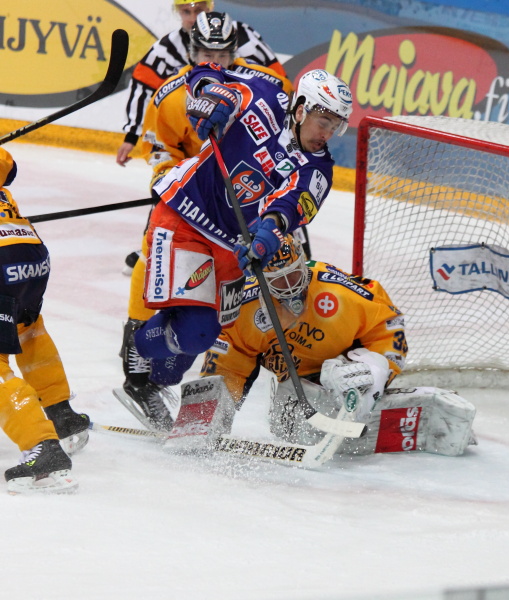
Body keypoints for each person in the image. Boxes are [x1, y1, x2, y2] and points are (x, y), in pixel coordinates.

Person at [114, 64, 352, 431]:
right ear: (301, 107)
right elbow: (206, 72)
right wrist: (208, 98)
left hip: (231, 242)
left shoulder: (318, 169)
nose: (327, 133)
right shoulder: (265, 97)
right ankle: (137, 353)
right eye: (324, 121)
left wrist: (267, 234)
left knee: (186, 354)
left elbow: (290, 205)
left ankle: (155, 376)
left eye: (335, 126)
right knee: (196, 332)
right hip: (186, 212)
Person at [116, 11, 293, 430]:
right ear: (192, 50)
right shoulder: (172, 95)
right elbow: (161, 149)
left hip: (238, 214)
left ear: (234, 51)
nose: (214, 58)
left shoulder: (261, 86)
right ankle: (138, 374)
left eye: (222, 51)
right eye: (205, 51)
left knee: (217, 307)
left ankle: (170, 370)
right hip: (190, 204)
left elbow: (280, 143)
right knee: (150, 266)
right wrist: (176, 177)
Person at [171, 236, 476, 459]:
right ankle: (333, 403)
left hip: (347, 367)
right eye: (278, 280)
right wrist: (210, 411)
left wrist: (375, 367)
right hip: (296, 384)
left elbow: (388, 325)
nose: (291, 287)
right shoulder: (244, 308)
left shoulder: (338, 293)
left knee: (340, 392)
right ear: (259, 279)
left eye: (294, 273)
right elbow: (229, 364)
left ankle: (362, 400)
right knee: (289, 424)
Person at [0, 148, 89, 494]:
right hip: (28, 256)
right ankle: (61, 413)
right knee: (28, 330)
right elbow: (7, 165)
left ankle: (43, 447)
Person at [116, 0, 286, 167]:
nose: (192, 18)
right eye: (186, 12)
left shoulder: (245, 38)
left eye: (199, 11)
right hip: (193, 146)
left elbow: (277, 84)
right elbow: (143, 87)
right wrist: (132, 135)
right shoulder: (165, 50)